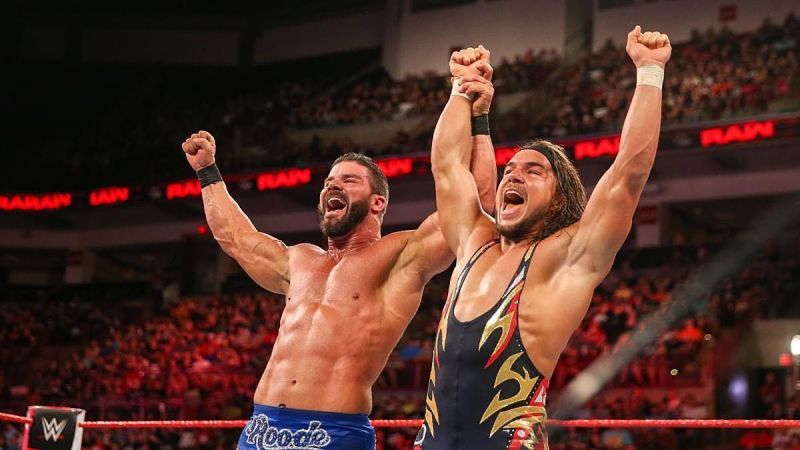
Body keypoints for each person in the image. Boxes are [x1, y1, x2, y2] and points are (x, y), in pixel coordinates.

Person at [179, 67, 498, 450]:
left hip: (332, 433)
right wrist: (207, 172)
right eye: (330, 181)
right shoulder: (298, 261)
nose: (333, 184)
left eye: (348, 180)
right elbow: (235, 238)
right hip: (261, 429)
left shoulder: (399, 256)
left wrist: (477, 117)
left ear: (377, 202)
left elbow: (476, 205)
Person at [417, 27, 671, 449]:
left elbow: (628, 175)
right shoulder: (473, 243)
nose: (513, 174)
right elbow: (446, 166)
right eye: (511, 168)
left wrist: (649, 72)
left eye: (534, 171)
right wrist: (462, 90)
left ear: (559, 200)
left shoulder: (565, 257)